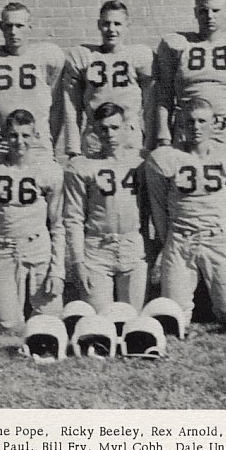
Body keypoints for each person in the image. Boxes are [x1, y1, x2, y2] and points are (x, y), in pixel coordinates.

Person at [146, 96, 226, 328]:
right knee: (174, 319)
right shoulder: (164, 158)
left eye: (202, 121)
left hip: (218, 238)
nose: (196, 127)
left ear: (215, 124)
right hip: (182, 239)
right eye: (190, 122)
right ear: (181, 124)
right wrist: (169, 239)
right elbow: (159, 206)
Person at [0, 108, 65, 334]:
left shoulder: (48, 169)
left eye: (25, 135)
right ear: (4, 138)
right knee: (7, 327)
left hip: (38, 249)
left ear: (36, 137)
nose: (19, 141)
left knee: (50, 323)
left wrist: (58, 271)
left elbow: (59, 224)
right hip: (3, 250)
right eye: (13, 135)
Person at [154, 0, 226, 157]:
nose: (210, 16)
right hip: (187, 128)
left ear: (225, 11)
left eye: (216, 10)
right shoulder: (177, 44)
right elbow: (164, 97)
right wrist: (163, 137)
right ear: (196, 12)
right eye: (204, 11)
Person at [64, 103, 150, 311]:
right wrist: (78, 262)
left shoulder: (141, 163)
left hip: (132, 245)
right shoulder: (83, 166)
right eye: (104, 128)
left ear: (126, 128)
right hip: (97, 248)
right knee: (100, 320)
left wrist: (150, 246)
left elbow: (150, 208)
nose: (110, 134)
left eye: (114, 127)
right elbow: (73, 217)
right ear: (94, 130)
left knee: (132, 318)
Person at [0, 2, 65, 159]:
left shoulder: (47, 56)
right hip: (1, 142)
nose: (13, 31)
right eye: (8, 26)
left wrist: (47, 140)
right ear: (1, 26)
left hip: (36, 141)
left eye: (19, 26)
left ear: (30, 27)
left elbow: (56, 107)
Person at [62, 0, 155, 158]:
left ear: (127, 25)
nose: (111, 29)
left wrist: (151, 142)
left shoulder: (138, 56)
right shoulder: (84, 56)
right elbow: (71, 106)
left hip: (129, 134)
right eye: (106, 24)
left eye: (117, 24)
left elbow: (150, 104)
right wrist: (73, 148)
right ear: (99, 25)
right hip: (95, 135)